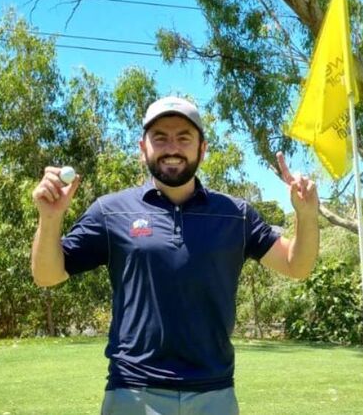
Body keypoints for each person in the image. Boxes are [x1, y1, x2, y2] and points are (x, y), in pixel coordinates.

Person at [30, 96, 319, 415]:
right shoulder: (111, 212)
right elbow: (47, 274)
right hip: (134, 392)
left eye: (184, 138)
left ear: (202, 148)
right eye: (160, 137)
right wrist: (50, 218)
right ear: (143, 148)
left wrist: (306, 215)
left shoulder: (235, 215)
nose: (172, 148)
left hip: (214, 393)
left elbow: (296, 265)